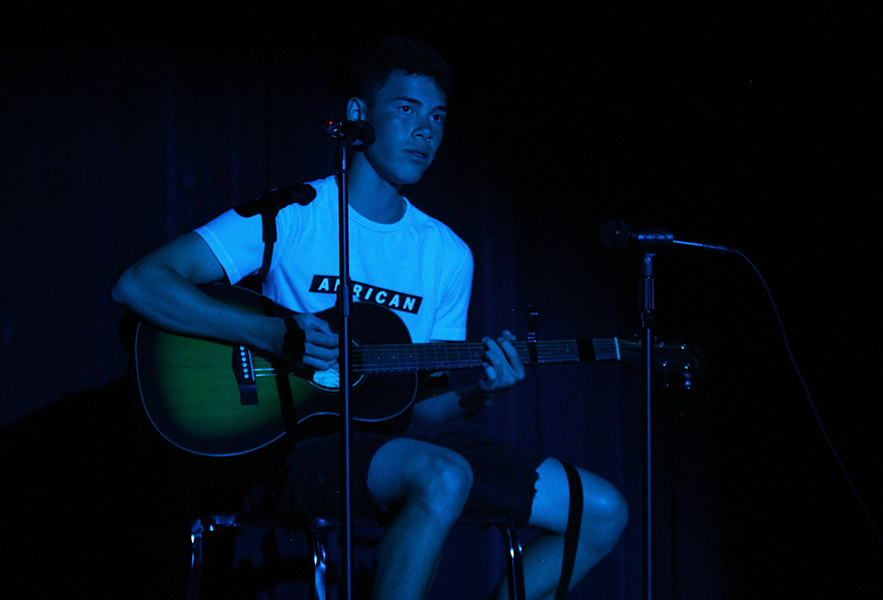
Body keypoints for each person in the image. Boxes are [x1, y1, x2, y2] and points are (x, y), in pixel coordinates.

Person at [112, 36, 627, 599]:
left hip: (403, 442)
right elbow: (141, 282)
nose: (426, 130)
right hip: (301, 445)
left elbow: (424, 409)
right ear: (358, 115)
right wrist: (269, 331)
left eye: (437, 117)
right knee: (442, 474)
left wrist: (481, 393)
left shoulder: (446, 253)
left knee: (600, 510)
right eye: (406, 110)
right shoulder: (293, 215)